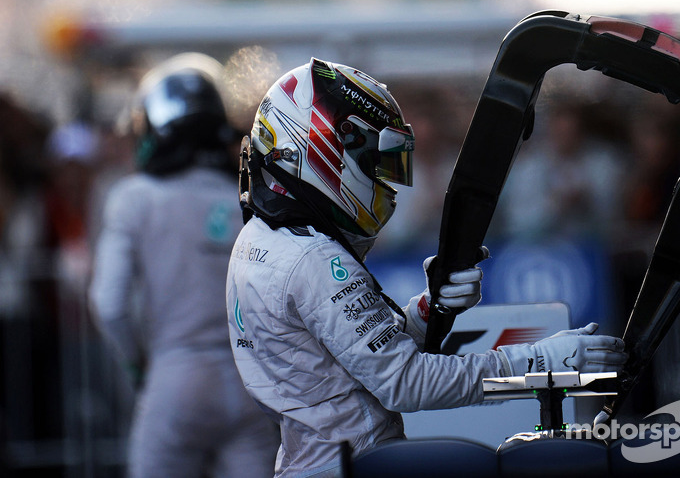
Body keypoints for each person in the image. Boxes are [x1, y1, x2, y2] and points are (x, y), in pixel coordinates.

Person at [228, 58, 627, 477]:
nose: (385, 181)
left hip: (314, 459)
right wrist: (539, 360)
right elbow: (404, 382)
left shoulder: (260, 240)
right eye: (373, 163)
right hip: (354, 464)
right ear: (326, 147)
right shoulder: (311, 258)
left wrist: (428, 309)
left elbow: (346, 364)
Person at [89, 53, 280, 478]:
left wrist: (138, 365)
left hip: (175, 377)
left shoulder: (134, 198)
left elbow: (109, 305)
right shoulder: (249, 201)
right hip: (251, 383)